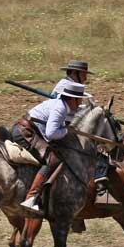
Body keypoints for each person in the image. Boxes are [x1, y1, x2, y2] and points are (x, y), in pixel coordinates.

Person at [13, 79, 92, 216]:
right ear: (72, 99)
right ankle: (31, 198)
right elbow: (51, 133)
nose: (80, 103)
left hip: (31, 131)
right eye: (79, 99)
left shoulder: (63, 105)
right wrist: (67, 131)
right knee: (53, 158)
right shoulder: (60, 108)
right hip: (25, 133)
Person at [53, 59, 111, 199]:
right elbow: (65, 106)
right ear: (75, 73)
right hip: (64, 124)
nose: (86, 77)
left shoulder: (72, 84)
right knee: (95, 148)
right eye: (84, 74)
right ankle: (98, 180)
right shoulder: (66, 85)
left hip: (72, 121)